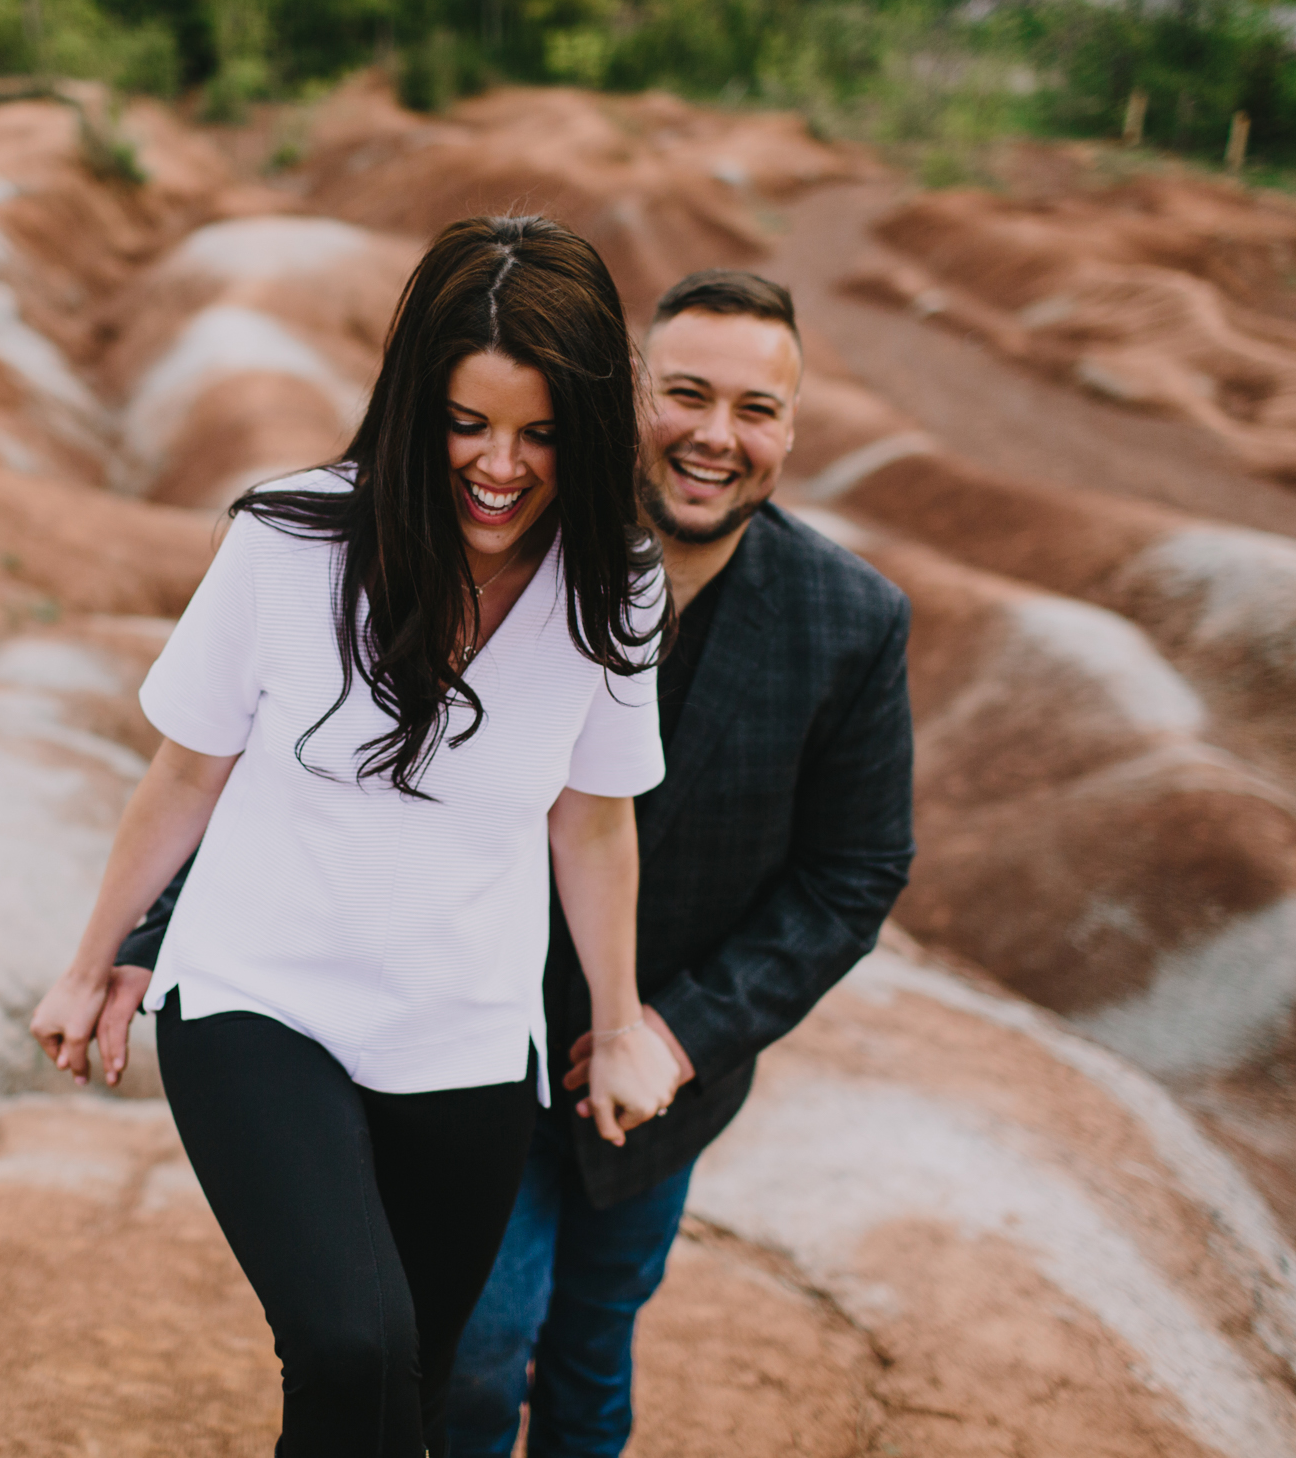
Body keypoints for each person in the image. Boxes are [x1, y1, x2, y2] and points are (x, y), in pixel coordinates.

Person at [104, 269, 915, 1456]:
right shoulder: (475, 531)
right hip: (457, 1036)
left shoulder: (848, 620)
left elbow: (854, 874)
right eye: (686, 394)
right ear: (625, 396)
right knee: (460, 1357)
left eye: (759, 409)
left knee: (591, 1348)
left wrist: (671, 1032)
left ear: (794, 430)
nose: (715, 435)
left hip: (653, 1071)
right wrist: (144, 936)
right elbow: (294, 759)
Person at [29, 215, 686, 1458]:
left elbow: (593, 823)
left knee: (411, 1393)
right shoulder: (289, 539)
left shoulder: (617, 586)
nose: (500, 466)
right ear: (410, 406)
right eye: (466, 423)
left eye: (541, 433)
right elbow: (185, 772)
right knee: (347, 1344)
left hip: (466, 1036)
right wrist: (92, 957)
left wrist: (617, 1021)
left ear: (590, 436)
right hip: (257, 1000)